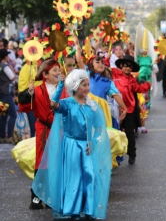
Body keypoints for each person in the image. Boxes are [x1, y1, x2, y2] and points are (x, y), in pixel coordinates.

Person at [32, 69, 111, 220]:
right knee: (74, 177)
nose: (87, 88)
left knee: (90, 175)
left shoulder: (92, 105)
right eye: (84, 85)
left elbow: (100, 127)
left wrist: (94, 142)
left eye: (88, 85)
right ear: (75, 87)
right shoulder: (67, 104)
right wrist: (61, 84)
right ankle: (72, 209)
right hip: (72, 146)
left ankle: (89, 209)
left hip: (86, 146)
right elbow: (54, 104)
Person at [18, 58, 64, 209]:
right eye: (55, 70)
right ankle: (36, 197)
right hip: (43, 129)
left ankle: (53, 196)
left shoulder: (64, 89)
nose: (58, 73)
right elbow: (24, 108)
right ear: (45, 74)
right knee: (41, 162)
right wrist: (29, 92)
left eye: (59, 70)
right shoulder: (36, 90)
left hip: (60, 130)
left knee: (58, 162)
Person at [112, 55, 150, 164]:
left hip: (128, 109)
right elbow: (104, 69)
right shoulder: (114, 73)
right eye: (125, 66)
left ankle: (132, 154)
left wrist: (147, 85)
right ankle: (116, 156)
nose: (127, 68)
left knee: (129, 133)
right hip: (115, 109)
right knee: (115, 131)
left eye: (130, 66)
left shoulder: (132, 79)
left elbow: (138, 89)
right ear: (120, 65)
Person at [0, 48, 17, 144]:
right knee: (13, 115)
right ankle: (10, 136)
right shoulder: (5, 66)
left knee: (4, 116)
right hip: (6, 94)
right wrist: (11, 67)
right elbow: (12, 77)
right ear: (5, 57)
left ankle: (2, 137)